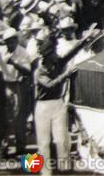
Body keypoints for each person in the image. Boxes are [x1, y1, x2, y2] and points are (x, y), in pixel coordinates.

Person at [34, 32, 98, 173]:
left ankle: (64, 168)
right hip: (43, 107)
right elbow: (50, 85)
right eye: (53, 52)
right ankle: (45, 172)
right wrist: (66, 74)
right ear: (47, 55)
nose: (56, 53)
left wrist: (84, 40)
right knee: (43, 142)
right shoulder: (39, 71)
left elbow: (72, 52)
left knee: (61, 138)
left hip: (57, 103)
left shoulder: (58, 62)